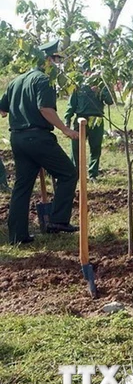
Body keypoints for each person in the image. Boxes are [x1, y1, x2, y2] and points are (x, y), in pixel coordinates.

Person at [0, 40, 79, 243]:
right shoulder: (44, 80)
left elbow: (2, 110)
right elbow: (45, 109)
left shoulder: (16, 81)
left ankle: (18, 236)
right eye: (55, 60)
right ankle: (58, 220)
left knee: (22, 186)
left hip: (17, 138)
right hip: (38, 138)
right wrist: (65, 129)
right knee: (68, 173)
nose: (56, 64)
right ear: (46, 59)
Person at [65, 70, 114, 180]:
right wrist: (67, 120)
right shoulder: (78, 85)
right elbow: (71, 104)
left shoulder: (102, 85)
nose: (90, 74)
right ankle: (75, 173)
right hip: (81, 119)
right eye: (88, 71)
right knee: (76, 148)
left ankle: (93, 174)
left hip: (97, 120)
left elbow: (110, 101)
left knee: (95, 148)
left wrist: (102, 91)